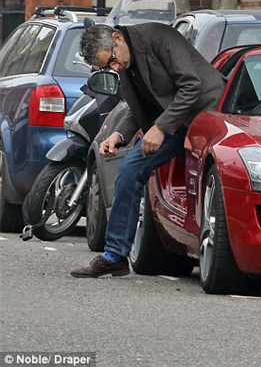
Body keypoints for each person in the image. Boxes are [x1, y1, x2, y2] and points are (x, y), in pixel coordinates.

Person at [70, 22, 225, 278]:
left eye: (112, 60)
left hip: (206, 114)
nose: (114, 68)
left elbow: (191, 85)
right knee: (129, 171)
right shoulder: (125, 62)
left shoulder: (157, 37)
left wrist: (160, 127)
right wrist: (118, 135)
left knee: (138, 169)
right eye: (107, 67)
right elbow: (138, 107)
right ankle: (115, 256)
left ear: (117, 38)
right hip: (175, 122)